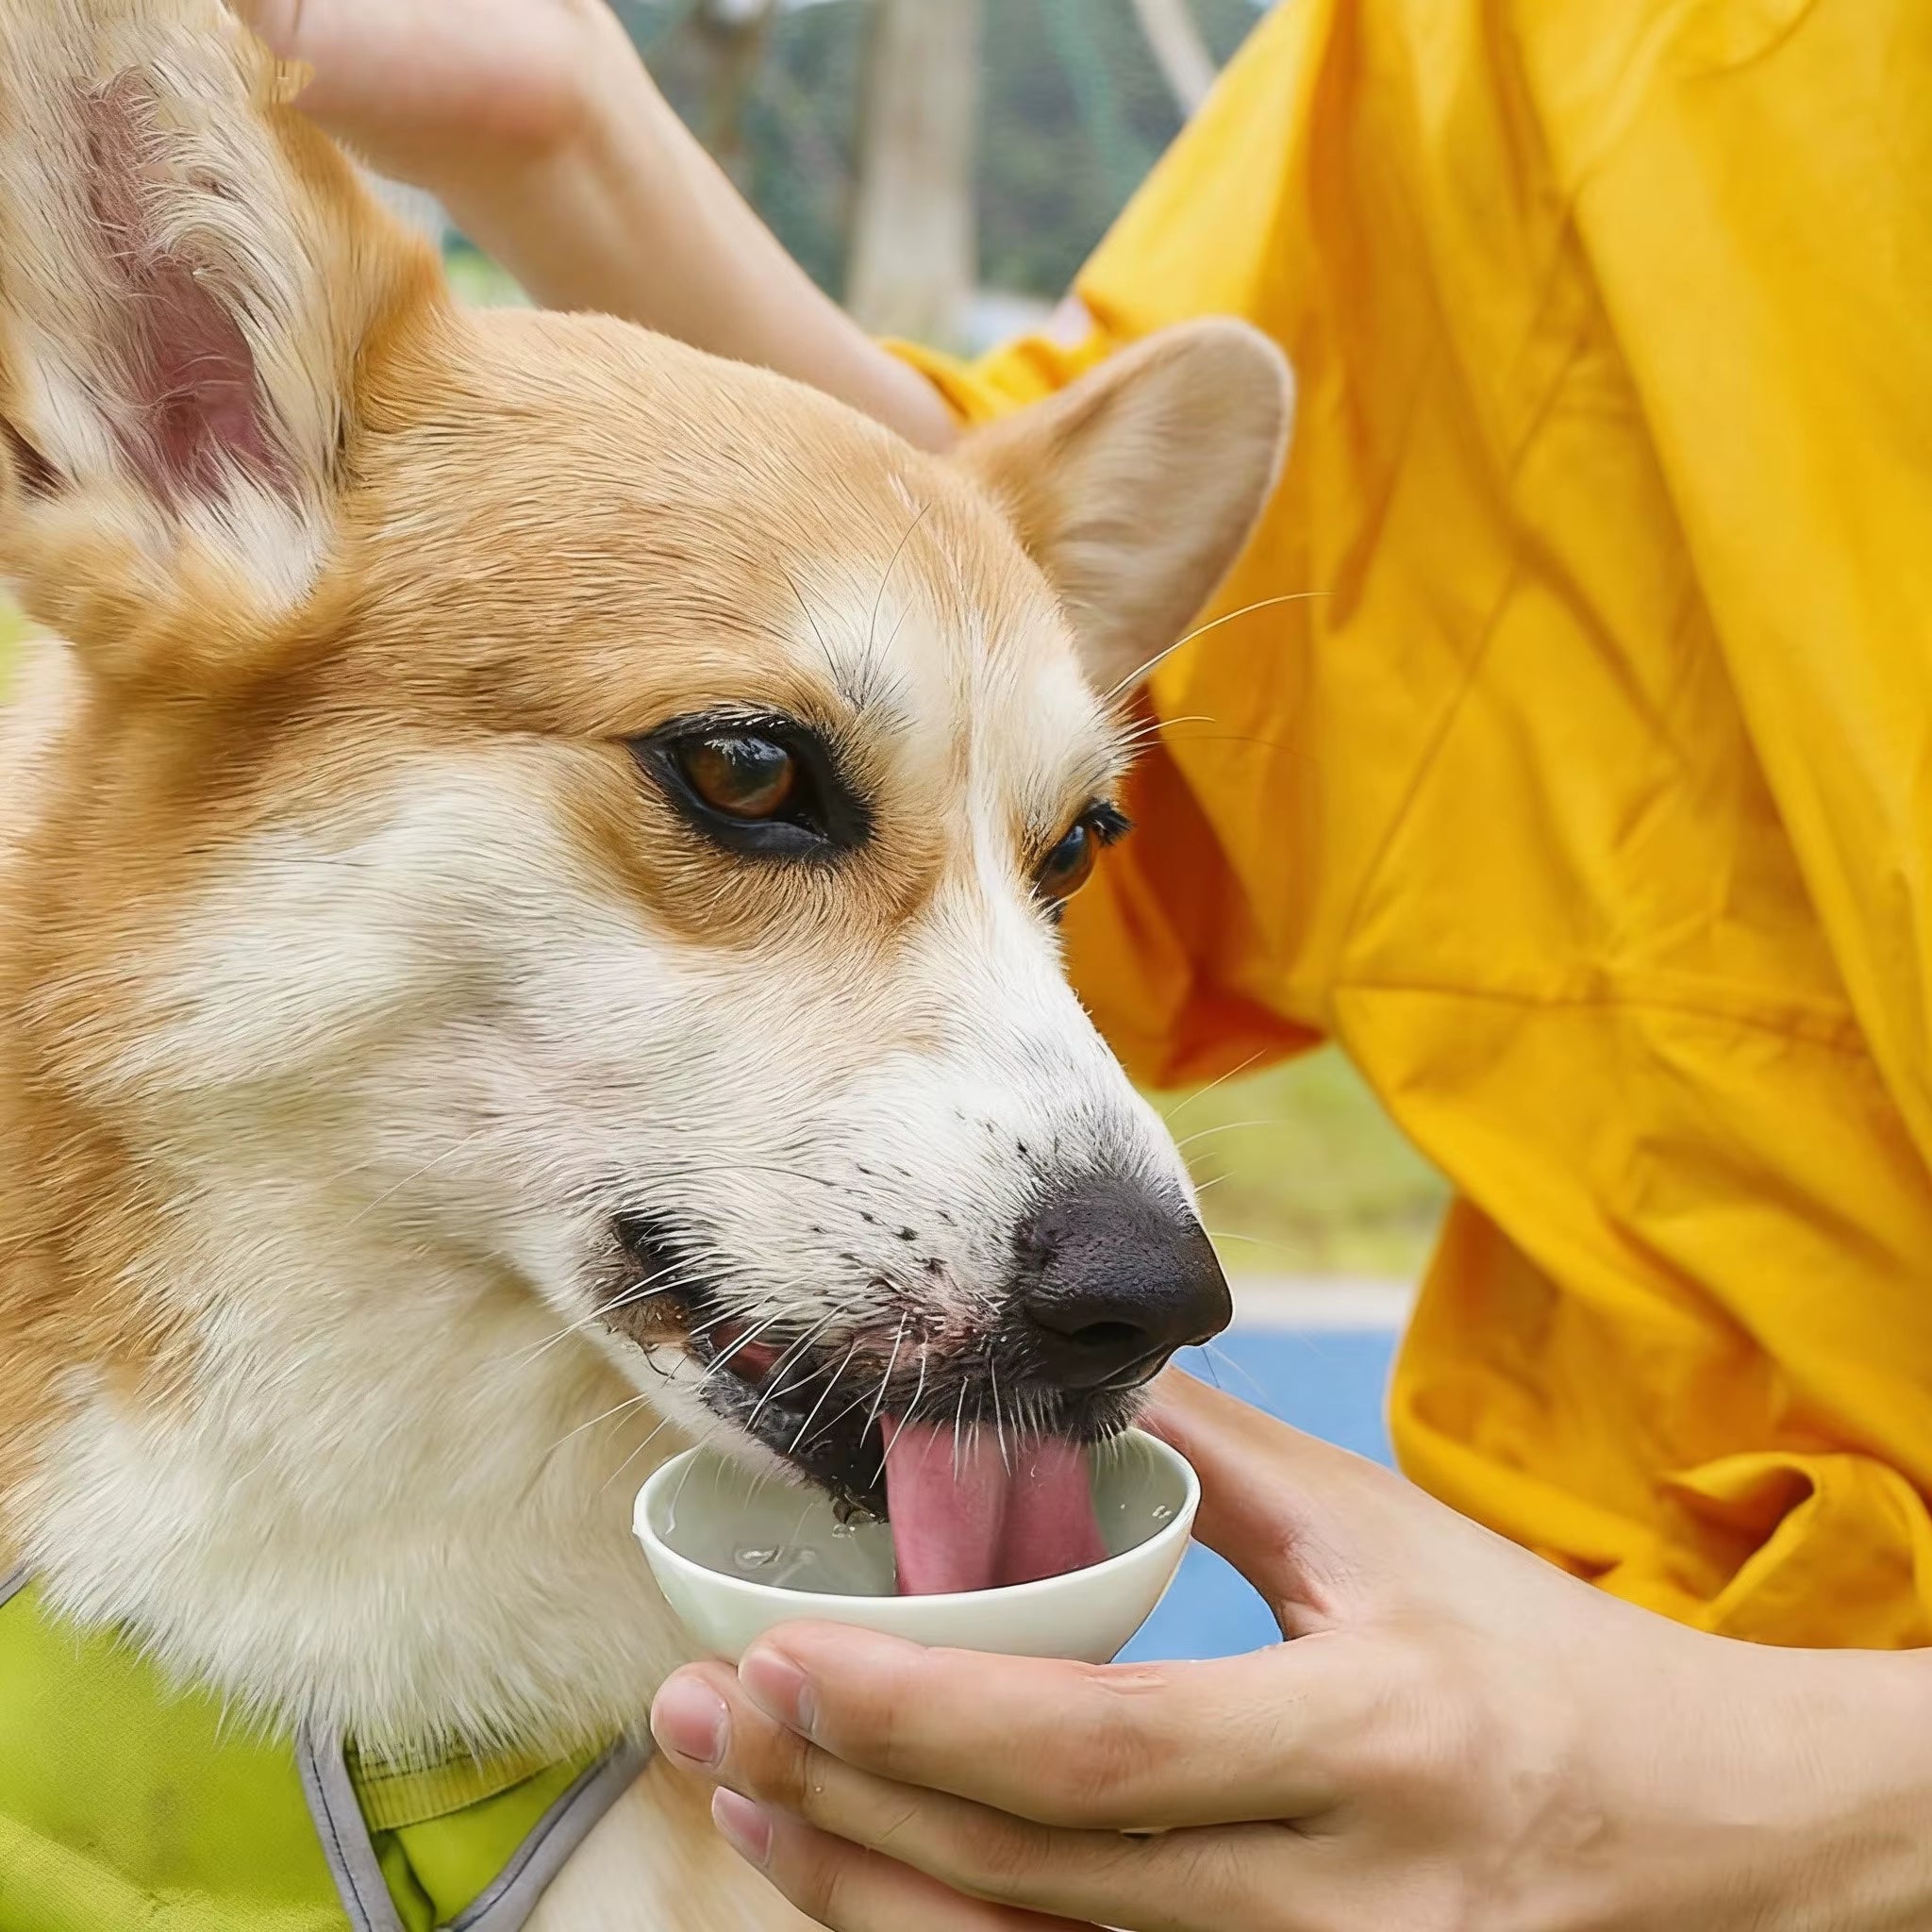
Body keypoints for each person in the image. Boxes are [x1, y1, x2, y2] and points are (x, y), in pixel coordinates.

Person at [250, 0, 1932, 1924]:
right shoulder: (1517, 42)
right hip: (1492, 1761)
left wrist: (1802, 1804)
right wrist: (561, 142)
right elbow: (1017, 692)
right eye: (745, 776)